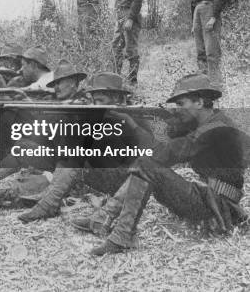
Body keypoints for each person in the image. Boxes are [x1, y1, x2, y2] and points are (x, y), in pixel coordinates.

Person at [78, 73, 247, 256]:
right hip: (212, 198)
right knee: (145, 166)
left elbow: (162, 155)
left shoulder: (214, 130)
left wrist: (132, 125)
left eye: (181, 104)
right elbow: (167, 131)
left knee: (146, 165)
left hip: (218, 207)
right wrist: (145, 119)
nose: (177, 109)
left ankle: (122, 236)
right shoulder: (211, 121)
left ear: (199, 102)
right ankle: (104, 217)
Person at [16, 72, 154, 222]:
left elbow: (153, 151)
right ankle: (50, 197)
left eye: (101, 100)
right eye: (94, 101)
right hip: (99, 174)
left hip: (123, 181)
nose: (96, 105)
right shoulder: (100, 116)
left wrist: (129, 123)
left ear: (117, 98)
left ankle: (49, 203)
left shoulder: (137, 115)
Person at [0, 58, 78, 199]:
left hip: (71, 164)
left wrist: (32, 106)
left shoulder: (84, 101)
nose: (56, 87)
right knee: (22, 146)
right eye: (55, 83)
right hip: (57, 156)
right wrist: (27, 103)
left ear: (73, 83)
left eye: (60, 82)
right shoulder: (59, 100)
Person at [191, 0, 227, 87]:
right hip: (198, 12)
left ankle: (216, 84)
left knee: (212, 50)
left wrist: (214, 17)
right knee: (200, 51)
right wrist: (193, 22)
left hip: (210, 10)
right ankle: (203, 82)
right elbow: (195, 0)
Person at [111, 0, 145, 87]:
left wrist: (130, 19)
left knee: (131, 49)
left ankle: (132, 81)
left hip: (129, 16)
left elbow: (137, 1)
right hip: (120, 17)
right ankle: (115, 78)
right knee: (116, 47)